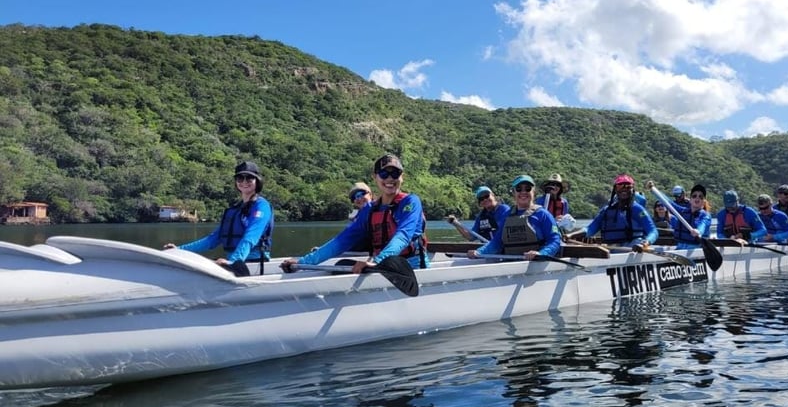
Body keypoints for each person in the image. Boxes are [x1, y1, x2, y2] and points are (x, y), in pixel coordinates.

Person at [281, 154, 430, 273]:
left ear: (402, 176)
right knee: (342, 265)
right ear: (375, 177)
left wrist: (376, 261)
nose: (390, 178)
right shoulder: (369, 210)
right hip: (380, 267)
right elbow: (342, 241)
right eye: (384, 174)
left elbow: (403, 236)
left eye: (395, 173)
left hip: (412, 268)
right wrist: (303, 262)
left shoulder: (411, 202)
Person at [164, 160, 274, 277]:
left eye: (249, 178)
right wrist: (179, 250)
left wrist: (233, 261)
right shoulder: (235, 209)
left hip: (253, 263)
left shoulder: (261, 206)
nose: (244, 182)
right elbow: (212, 240)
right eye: (240, 178)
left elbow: (250, 237)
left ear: (257, 181)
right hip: (233, 261)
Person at [466, 175, 561, 260]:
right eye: (519, 189)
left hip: (535, 264)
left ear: (533, 191)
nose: (523, 192)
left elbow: (555, 241)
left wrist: (541, 253)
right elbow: (497, 242)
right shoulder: (507, 215)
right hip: (510, 264)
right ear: (513, 192)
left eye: (527, 188)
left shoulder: (543, 214)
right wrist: (479, 252)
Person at [577, 174, 659, 250]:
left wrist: (645, 243)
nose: (624, 189)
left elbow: (653, 231)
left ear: (632, 189)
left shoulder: (638, 210)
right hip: (611, 248)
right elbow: (590, 228)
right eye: (620, 186)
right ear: (615, 189)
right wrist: (573, 235)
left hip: (632, 248)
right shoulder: (606, 210)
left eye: (628, 186)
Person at [670, 184, 713, 249]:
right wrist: (653, 190)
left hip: (696, 248)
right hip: (680, 247)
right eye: (694, 196)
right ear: (690, 200)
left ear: (703, 201)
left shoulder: (705, 215)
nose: (697, 198)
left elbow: (703, 225)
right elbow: (668, 202)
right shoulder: (683, 211)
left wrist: (698, 231)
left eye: (700, 196)